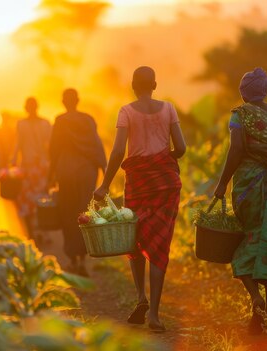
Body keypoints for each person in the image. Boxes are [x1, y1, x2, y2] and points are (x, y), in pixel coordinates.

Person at [94, 66, 186, 332]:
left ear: (133, 86)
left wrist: (104, 185)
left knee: (134, 239)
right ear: (154, 84)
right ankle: (155, 315)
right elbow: (180, 148)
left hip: (138, 184)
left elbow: (117, 152)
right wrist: (162, 159)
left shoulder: (127, 111)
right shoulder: (168, 108)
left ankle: (140, 298)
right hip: (166, 185)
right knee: (159, 246)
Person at [213, 67, 267, 335]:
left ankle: (255, 299)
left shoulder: (239, 115)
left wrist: (222, 183)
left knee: (245, 243)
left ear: (243, 92)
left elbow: (236, 149)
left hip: (252, 188)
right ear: (266, 90)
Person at [49, 88, 106, 276]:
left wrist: (49, 176)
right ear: (78, 100)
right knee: (84, 212)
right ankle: (82, 258)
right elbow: (97, 144)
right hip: (86, 172)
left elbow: (54, 150)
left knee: (68, 213)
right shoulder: (88, 119)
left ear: (63, 102)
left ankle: (73, 259)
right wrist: (104, 169)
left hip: (65, 170)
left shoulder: (60, 120)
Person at [11, 97, 52, 242]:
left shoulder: (21, 124)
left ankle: (31, 234)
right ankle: (42, 233)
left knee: (27, 200)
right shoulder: (45, 123)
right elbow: (50, 146)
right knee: (41, 199)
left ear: (26, 108)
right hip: (41, 167)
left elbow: (18, 144)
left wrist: (13, 161)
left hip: (28, 167)